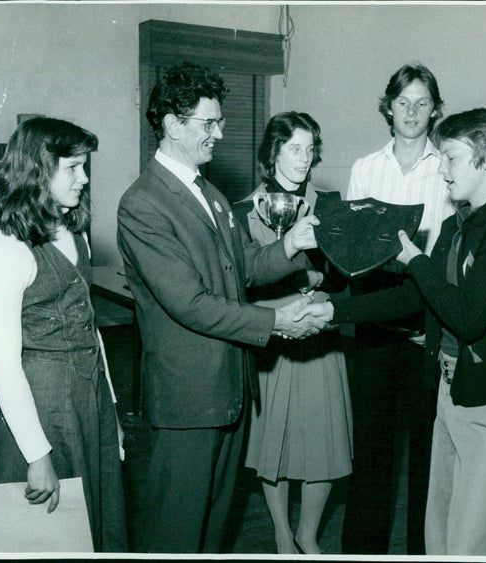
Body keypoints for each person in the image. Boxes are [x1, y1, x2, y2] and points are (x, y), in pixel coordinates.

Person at [300, 106, 486, 555]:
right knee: (440, 537)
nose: (443, 170)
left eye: (451, 158)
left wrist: (415, 259)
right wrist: (332, 309)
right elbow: (416, 297)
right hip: (451, 394)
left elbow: (468, 317)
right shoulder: (458, 224)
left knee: (476, 543)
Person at [116, 62, 325, 553]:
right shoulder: (143, 203)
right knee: (177, 531)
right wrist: (276, 321)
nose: (220, 132)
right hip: (189, 399)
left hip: (230, 386)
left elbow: (243, 268)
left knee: (213, 531)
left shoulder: (208, 193)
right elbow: (189, 303)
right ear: (172, 124)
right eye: (209, 123)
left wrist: (290, 245)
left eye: (219, 121)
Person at [0, 116, 128, 551]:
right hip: (42, 407)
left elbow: (90, 330)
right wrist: (36, 454)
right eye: (73, 168)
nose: (84, 179)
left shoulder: (73, 231)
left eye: (85, 167)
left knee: (96, 523)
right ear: (39, 171)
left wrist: (112, 413)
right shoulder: (6, 249)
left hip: (89, 398)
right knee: (49, 535)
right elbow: (3, 368)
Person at [340, 62, 456, 555]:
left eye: (422, 102)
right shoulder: (365, 168)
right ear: (388, 107)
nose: (411, 112)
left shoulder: (449, 167)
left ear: (435, 111)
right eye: (402, 102)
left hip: (425, 328)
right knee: (370, 457)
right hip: (374, 327)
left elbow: (449, 260)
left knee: (428, 461)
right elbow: (350, 254)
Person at [235, 112, 352, 555]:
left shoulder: (332, 204)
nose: (304, 159)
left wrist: (319, 287)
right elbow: (244, 281)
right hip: (273, 335)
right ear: (273, 154)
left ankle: (309, 533)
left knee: (324, 442)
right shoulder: (246, 209)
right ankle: (284, 534)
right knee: (275, 444)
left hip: (321, 333)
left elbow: (345, 278)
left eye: (309, 149)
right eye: (293, 149)